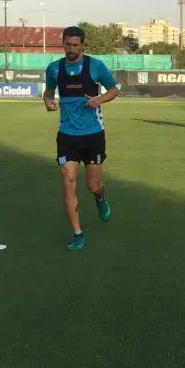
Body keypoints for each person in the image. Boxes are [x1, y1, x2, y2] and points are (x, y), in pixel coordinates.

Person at [43, 26, 120, 251]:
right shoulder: (54, 68)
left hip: (93, 134)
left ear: (82, 45)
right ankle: (78, 234)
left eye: (75, 45)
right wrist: (47, 102)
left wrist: (99, 99)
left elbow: (114, 89)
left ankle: (100, 198)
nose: (71, 49)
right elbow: (48, 92)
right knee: (68, 183)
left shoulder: (95, 66)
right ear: (63, 43)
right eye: (67, 44)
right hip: (67, 135)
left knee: (93, 185)